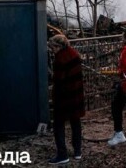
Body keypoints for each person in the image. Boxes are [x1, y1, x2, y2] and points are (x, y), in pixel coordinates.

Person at [48, 35, 85, 164]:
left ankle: (62, 154)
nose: (52, 50)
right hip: (76, 94)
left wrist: (54, 97)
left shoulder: (60, 59)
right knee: (76, 122)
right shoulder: (74, 54)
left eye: (53, 47)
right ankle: (77, 151)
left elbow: (58, 81)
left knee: (58, 124)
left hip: (63, 97)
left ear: (59, 46)